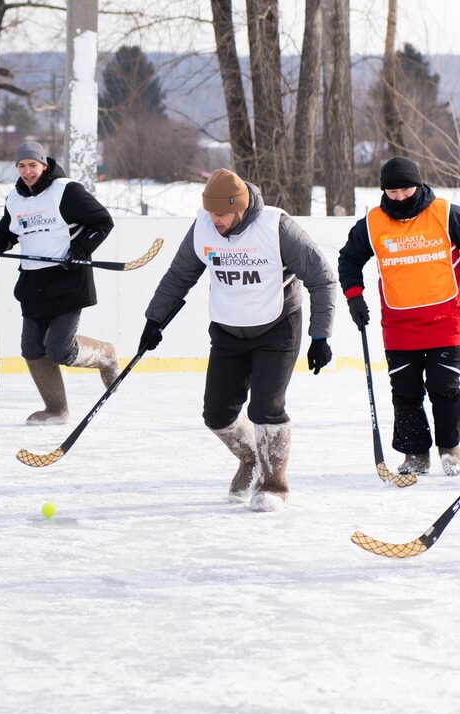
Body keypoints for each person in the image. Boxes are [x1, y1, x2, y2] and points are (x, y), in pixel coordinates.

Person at [138, 169, 336, 512]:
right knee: (217, 414)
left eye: (222, 213)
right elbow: (179, 276)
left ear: (240, 207)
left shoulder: (276, 227)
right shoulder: (203, 228)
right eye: (211, 212)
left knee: (266, 409)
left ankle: (274, 484)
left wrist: (320, 336)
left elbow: (321, 277)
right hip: (228, 331)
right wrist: (154, 319)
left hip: (277, 327)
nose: (215, 220)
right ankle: (251, 458)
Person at [336, 155, 460, 477]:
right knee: (405, 392)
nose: (399, 197)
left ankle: (450, 447)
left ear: (418, 184)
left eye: (405, 190)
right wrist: (354, 297)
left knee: (444, 387)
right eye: (392, 192)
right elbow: (349, 259)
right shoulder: (372, 223)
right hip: (398, 324)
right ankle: (415, 453)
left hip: (446, 319)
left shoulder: (446, 213)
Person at [0, 140, 119, 424]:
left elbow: (103, 221)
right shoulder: (15, 198)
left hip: (67, 279)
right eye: (21, 166)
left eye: (33, 165)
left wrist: (79, 251)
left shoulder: (65, 190)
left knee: (59, 350)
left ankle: (105, 355)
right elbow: (8, 231)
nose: (27, 171)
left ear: (44, 164)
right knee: (32, 349)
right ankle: (57, 410)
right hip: (33, 283)